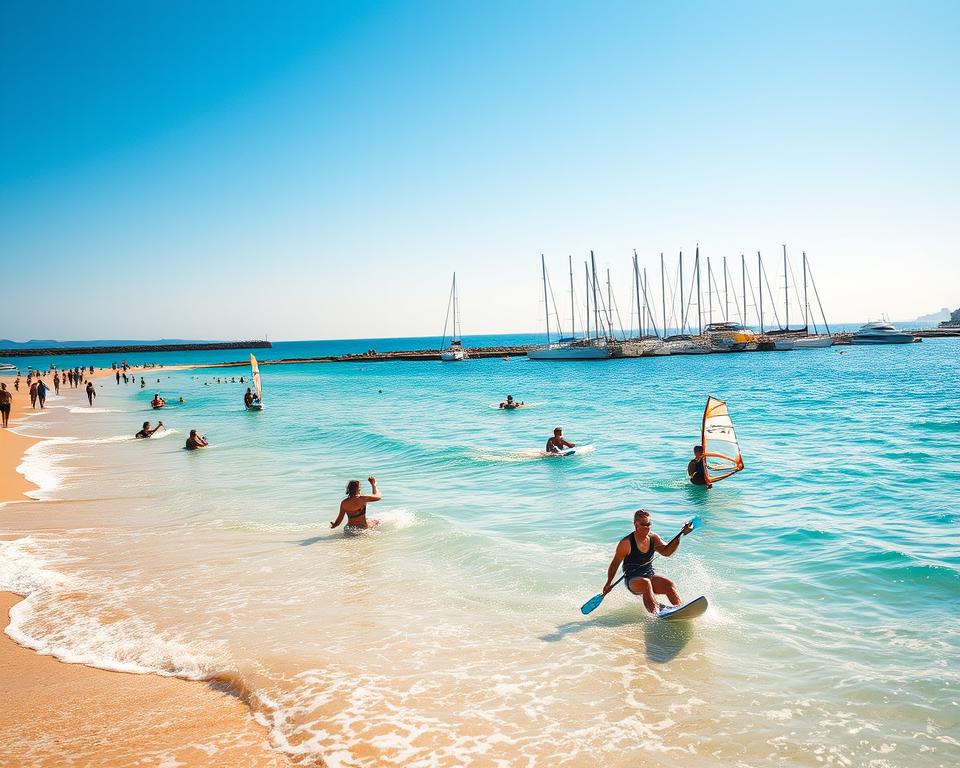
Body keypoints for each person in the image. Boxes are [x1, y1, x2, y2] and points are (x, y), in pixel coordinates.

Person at [600, 509, 694, 615]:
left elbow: (667, 552)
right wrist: (609, 582)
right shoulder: (626, 543)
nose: (647, 527)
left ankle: (680, 610)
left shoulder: (653, 538)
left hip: (649, 575)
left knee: (669, 584)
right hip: (633, 580)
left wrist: (680, 535)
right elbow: (615, 563)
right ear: (636, 525)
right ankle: (656, 613)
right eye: (644, 524)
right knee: (646, 583)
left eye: (649, 524)